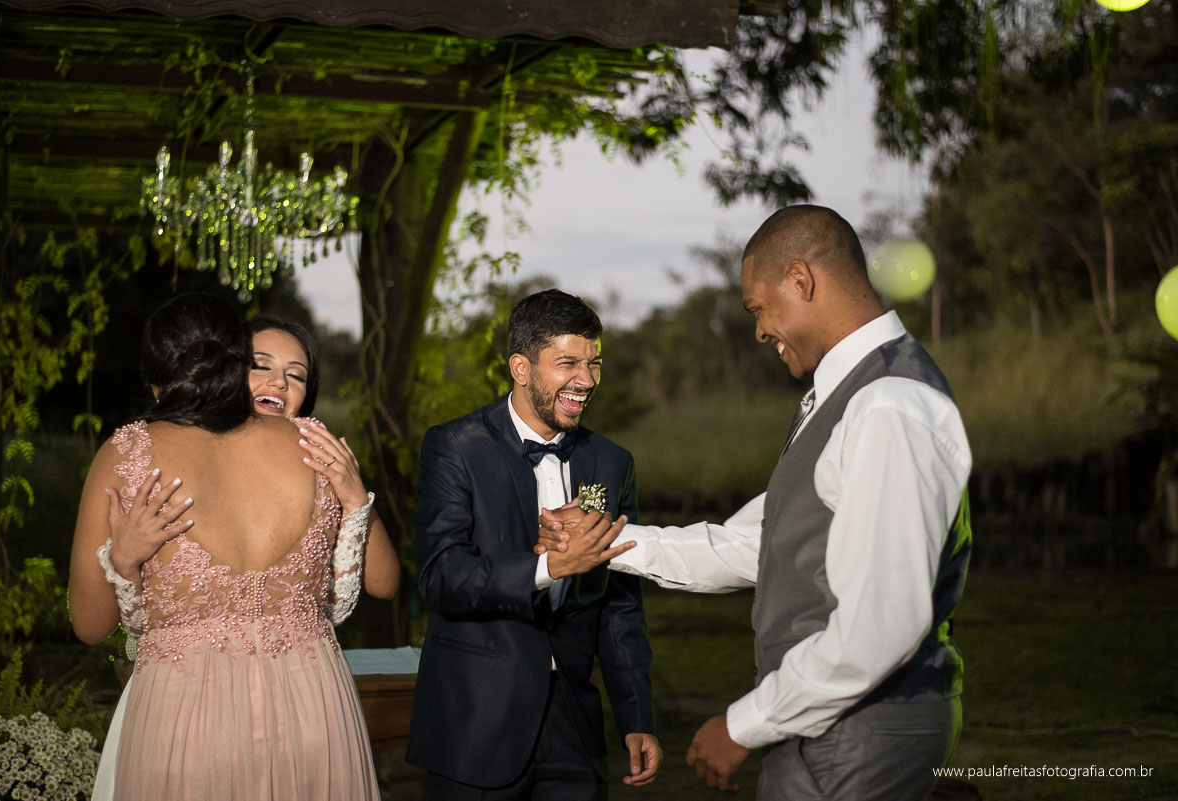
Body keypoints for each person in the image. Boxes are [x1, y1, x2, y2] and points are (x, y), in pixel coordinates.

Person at [540, 206, 972, 801]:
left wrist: (746, 723)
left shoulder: (888, 403)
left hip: (857, 734)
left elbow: (883, 624)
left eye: (757, 309)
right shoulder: (849, 397)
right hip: (834, 728)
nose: (760, 331)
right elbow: (753, 543)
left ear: (801, 280)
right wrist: (602, 542)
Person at [69, 294, 387, 800]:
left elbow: (89, 626)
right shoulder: (310, 443)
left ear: (154, 375)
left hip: (184, 718)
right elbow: (379, 582)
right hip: (313, 707)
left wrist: (122, 561)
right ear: (239, 361)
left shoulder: (126, 454)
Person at [406, 288, 662, 799]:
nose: (586, 381)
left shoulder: (611, 464)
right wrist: (548, 567)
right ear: (520, 368)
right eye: (568, 363)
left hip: (574, 729)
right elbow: (441, 574)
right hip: (476, 724)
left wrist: (636, 714)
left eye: (594, 363)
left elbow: (617, 603)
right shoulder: (455, 446)